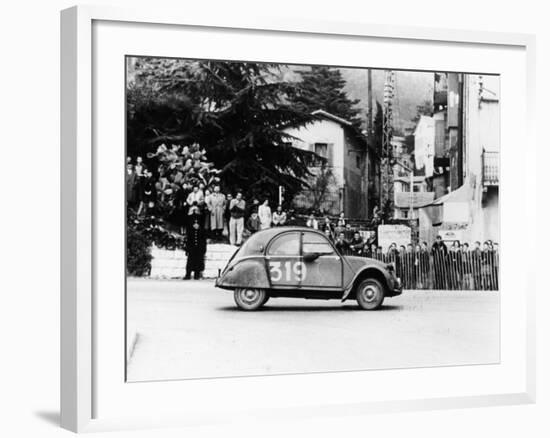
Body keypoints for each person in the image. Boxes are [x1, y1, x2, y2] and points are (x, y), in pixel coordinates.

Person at [184, 215, 207, 280]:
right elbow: (188, 241)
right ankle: (188, 275)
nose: (196, 225)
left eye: (197, 224)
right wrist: (187, 250)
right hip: (192, 250)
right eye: (194, 224)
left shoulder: (202, 231)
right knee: (190, 263)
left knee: (198, 263)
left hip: (199, 250)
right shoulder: (190, 231)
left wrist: (203, 250)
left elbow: (203, 242)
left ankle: (196, 275)